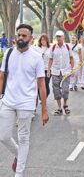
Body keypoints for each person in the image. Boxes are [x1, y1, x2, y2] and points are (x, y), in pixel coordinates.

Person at [0, 23, 49, 177]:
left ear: (31, 38)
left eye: (24, 36)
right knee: (4, 136)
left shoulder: (36, 57)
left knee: (23, 138)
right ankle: (19, 155)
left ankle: (19, 173)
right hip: (8, 101)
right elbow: (2, 77)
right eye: (19, 35)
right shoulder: (8, 53)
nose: (20, 38)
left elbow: (41, 84)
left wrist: (44, 110)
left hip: (26, 103)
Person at [47, 30, 74, 116]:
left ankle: (65, 105)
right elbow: (50, 59)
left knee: (65, 90)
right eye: (57, 36)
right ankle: (59, 108)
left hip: (66, 71)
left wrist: (72, 69)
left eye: (60, 36)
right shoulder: (53, 47)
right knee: (56, 90)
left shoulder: (67, 47)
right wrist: (48, 70)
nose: (58, 38)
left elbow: (71, 58)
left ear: (63, 37)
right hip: (55, 71)